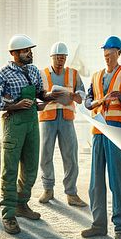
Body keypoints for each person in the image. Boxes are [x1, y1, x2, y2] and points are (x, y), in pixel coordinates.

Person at [0, 34, 53, 234]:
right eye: (25, 51)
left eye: (30, 50)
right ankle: (8, 214)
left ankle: (21, 204)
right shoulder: (4, 73)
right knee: (10, 171)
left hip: (33, 123)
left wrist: (51, 96)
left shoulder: (34, 70)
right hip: (14, 124)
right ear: (14, 53)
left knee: (31, 167)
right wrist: (15, 105)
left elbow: (40, 94)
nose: (29, 53)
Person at [82, 36, 121, 239]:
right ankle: (98, 224)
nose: (107, 58)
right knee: (95, 182)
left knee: (116, 181)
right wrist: (98, 101)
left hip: (117, 132)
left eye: (111, 54)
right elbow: (88, 101)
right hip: (99, 131)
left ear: (119, 53)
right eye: (105, 55)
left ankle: (119, 227)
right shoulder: (97, 76)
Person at [38, 41, 87, 207]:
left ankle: (71, 193)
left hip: (66, 118)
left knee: (70, 155)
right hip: (48, 118)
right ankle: (48, 189)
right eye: (58, 57)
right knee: (45, 155)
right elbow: (36, 95)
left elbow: (82, 97)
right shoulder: (42, 73)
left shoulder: (74, 74)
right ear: (51, 57)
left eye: (63, 57)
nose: (60, 60)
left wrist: (73, 95)